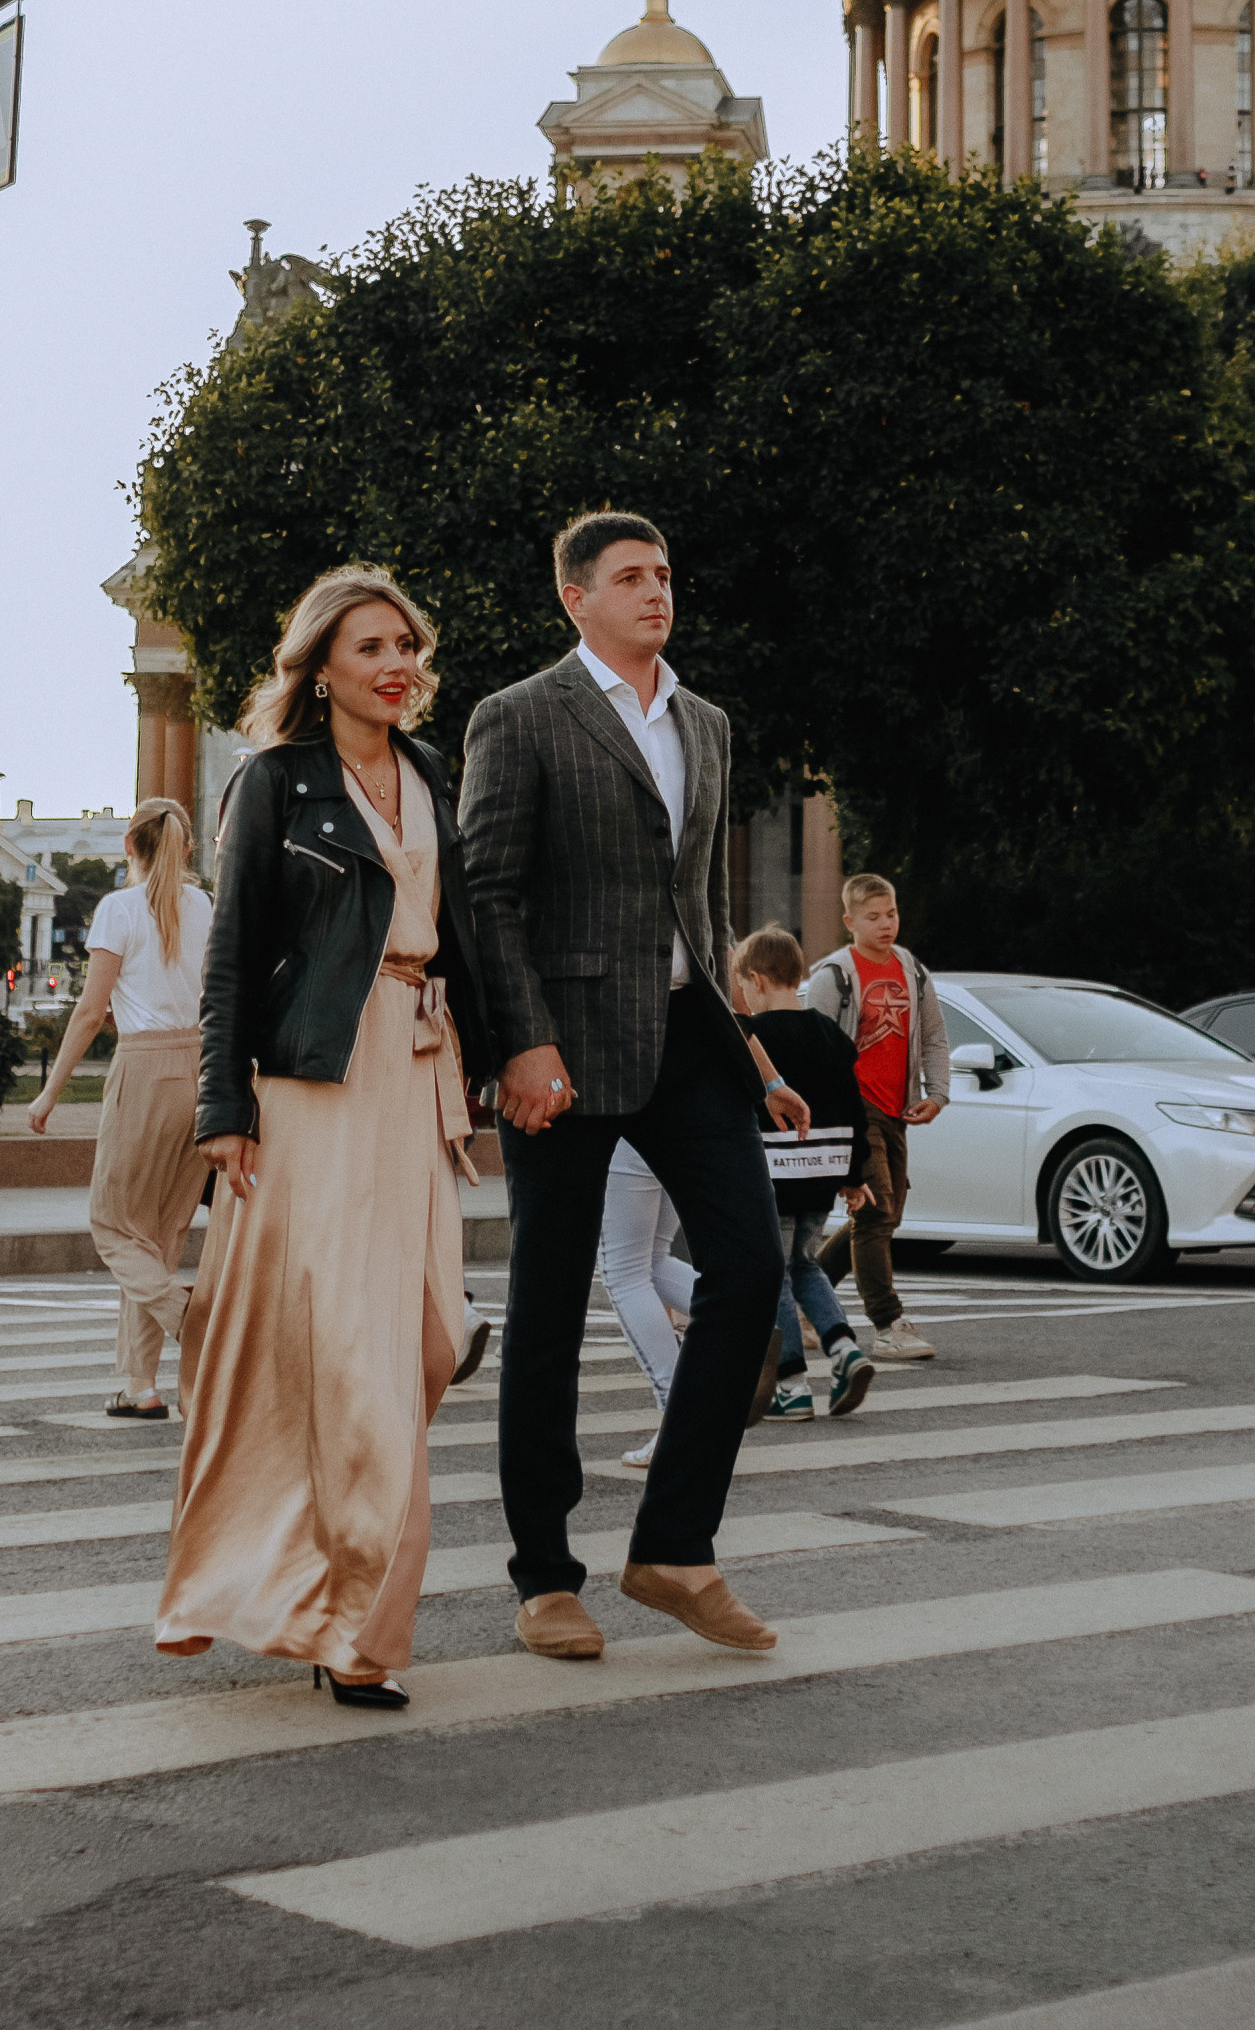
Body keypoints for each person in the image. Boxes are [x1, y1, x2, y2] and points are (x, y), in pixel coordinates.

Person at [459, 508, 810, 1662]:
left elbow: (700, 916)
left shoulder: (701, 722)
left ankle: (672, 1547)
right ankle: (543, 1576)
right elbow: (489, 896)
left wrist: (753, 1059)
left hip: (683, 1043)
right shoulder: (519, 717)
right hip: (559, 1053)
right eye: (630, 576)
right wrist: (518, 1041)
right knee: (551, 1310)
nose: (657, 591)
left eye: (664, 572)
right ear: (576, 598)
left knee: (751, 1268)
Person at [155, 564, 495, 1705]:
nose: (395, 665)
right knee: (353, 1363)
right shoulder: (275, 782)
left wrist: (500, 1063)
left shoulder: (429, 772)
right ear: (321, 668)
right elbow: (234, 951)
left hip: (418, 1072)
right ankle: (350, 1629)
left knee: (428, 1340)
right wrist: (221, 1110)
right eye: (369, 649)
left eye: (405, 645)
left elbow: (461, 937)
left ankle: (317, 1585)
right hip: (313, 1083)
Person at [27, 799, 213, 1420]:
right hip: (200, 1069)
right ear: (185, 848)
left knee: (112, 1225)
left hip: (145, 1071)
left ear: (129, 846)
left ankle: (187, 1316)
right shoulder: (204, 907)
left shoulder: (118, 910)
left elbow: (89, 1010)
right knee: (157, 1239)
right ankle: (141, 1386)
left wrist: (51, 1090)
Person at [803, 872, 951, 1362]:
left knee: (885, 1214)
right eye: (873, 917)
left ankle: (807, 1301)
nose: (886, 924)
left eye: (891, 914)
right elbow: (815, 1049)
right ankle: (888, 1323)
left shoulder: (911, 968)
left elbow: (932, 1035)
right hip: (855, 1107)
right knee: (875, 1212)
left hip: (896, 1108)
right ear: (849, 922)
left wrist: (938, 1093)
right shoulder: (835, 975)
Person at [734, 925, 875, 1421]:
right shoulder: (829, 1034)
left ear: (755, 980)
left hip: (772, 1174)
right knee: (806, 1265)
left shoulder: (752, 1038)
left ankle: (790, 1383)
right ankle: (844, 1350)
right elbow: (855, 1109)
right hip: (824, 1170)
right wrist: (856, 1175)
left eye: (743, 985)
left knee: (773, 1275)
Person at [596, 1141, 694, 1469]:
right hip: (678, 1123)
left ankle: (677, 1416)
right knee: (653, 1260)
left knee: (624, 1273)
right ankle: (746, 1317)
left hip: (626, 1123)